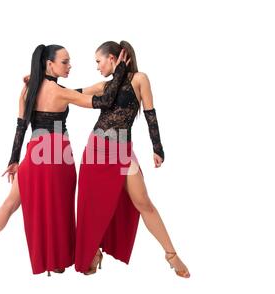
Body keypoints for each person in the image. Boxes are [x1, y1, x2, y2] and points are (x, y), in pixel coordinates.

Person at [0, 44, 129, 276]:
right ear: (49, 63)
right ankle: (65, 258)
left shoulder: (29, 90)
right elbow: (103, 102)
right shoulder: (59, 92)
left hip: (33, 156)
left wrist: (14, 160)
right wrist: (120, 71)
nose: (69, 65)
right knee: (62, 209)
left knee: (10, 204)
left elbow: (21, 127)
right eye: (65, 62)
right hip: (57, 157)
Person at [74, 41, 190, 278]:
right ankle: (93, 251)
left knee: (143, 201)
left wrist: (157, 148)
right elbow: (69, 94)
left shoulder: (139, 79)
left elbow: (150, 115)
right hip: (96, 149)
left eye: (98, 61)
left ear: (113, 58)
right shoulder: (103, 86)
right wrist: (42, 83)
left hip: (122, 151)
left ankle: (171, 254)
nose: (97, 66)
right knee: (91, 205)